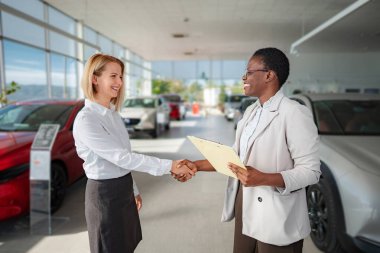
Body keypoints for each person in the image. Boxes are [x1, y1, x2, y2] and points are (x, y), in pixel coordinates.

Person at [183, 48, 321, 253]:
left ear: (269, 75)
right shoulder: (251, 111)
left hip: (277, 214)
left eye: (248, 72)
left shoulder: (294, 113)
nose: (243, 77)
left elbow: (311, 172)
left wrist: (265, 178)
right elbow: (235, 158)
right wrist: (196, 165)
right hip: (246, 203)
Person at [73, 53, 195, 253]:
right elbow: (120, 157)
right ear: (94, 78)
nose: (119, 82)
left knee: (126, 246)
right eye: (113, 76)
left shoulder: (113, 115)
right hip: (104, 195)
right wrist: (170, 166)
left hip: (122, 188)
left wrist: (133, 189)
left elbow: (124, 157)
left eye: (121, 77)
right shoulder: (87, 120)